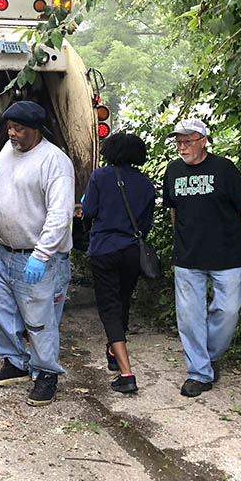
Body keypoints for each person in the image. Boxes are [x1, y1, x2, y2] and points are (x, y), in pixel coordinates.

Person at [162, 118, 241, 398]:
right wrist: (179, 239)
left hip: (227, 255)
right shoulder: (173, 171)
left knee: (229, 310)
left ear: (203, 141)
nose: (182, 147)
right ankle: (199, 373)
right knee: (189, 318)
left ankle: (209, 355)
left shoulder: (223, 169)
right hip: (187, 258)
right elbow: (174, 209)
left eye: (188, 141)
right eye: (178, 142)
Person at [0, 101, 75, 407]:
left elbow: (60, 215)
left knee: (39, 320)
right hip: (2, 251)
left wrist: (42, 254)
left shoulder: (54, 162)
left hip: (36, 256)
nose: (12, 134)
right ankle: (15, 363)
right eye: (9, 127)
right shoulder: (9, 152)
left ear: (36, 129)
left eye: (19, 129)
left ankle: (46, 374)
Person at [81, 133, 155, 394]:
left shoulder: (101, 176)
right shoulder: (146, 184)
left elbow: (88, 211)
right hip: (132, 252)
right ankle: (113, 351)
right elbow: (146, 224)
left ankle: (126, 373)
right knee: (122, 301)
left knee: (109, 308)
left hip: (104, 249)